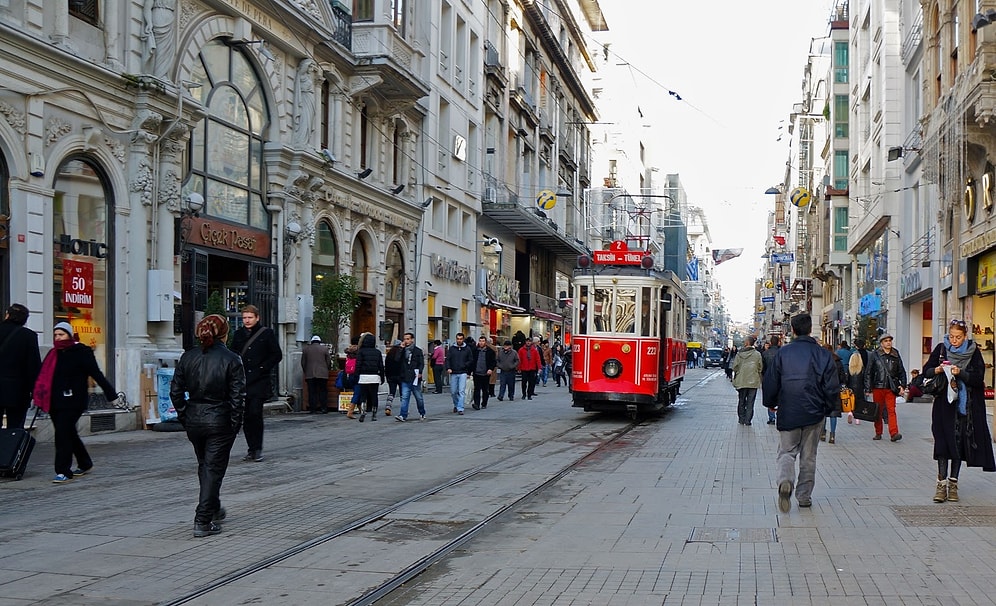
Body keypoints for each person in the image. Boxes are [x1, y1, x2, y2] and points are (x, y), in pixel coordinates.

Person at [170, 314, 246, 537]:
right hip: (219, 420)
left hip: (195, 420)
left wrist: (185, 415)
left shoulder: (188, 357)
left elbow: (175, 391)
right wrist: (234, 423)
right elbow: (238, 397)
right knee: (212, 468)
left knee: (206, 465)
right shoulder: (232, 359)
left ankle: (212, 507)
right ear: (225, 333)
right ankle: (202, 519)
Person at [763, 314, 839, 512]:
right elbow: (831, 386)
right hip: (814, 412)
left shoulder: (783, 353)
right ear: (810, 329)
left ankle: (785, 481)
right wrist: (829, 408)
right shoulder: (823, 354)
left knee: (787, 452)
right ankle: (804, 496)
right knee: (808, 456)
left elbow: (771, 381)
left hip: (789, 410)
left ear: (793, 330)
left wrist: (770, 403)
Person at [33, 322, 117, 483]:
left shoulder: (82, 352)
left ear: (69, 335)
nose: (58, 338)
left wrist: (111, 394)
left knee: (62, 435)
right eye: (56, 335)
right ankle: (85, 463)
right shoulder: (53, 354)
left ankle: (63, 470)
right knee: (68, 432)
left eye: (61, 334)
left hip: (74, 401)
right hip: (54, 401)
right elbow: (43, 377)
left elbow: (96, 373)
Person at [923, 319, 996, 502]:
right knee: (942, 445)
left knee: (957, 446)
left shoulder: (973, 353)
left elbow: (978, 379)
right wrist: (939, 369)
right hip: (942, 407)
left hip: (964, 408)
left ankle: (953, 485)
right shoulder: (941, 349)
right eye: (952, 337)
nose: (954, 341)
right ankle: (941, 486)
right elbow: (926, 371)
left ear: (965, 337)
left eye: (959, 337)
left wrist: (960, 373)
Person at [230, 305, 282, 462]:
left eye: (250, 317)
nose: (247, 320)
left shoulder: (266, 334)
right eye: (244, 317)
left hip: (259, 381)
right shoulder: (238, 334)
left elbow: (276, 354)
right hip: (243, 380)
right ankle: (251, 448)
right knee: (246, 416)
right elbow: (233, 354)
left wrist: (263, 368)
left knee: (255, 413)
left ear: (257, 318)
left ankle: (257, 448)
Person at [0, 304, 41, 429]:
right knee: (15, 429)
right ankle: (11, 448)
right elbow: (34, 367)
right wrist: (35, 391)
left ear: (7, 315)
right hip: (18, 391)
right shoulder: (29, 336)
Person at [864, 333, 908, 442]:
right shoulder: (875, 355)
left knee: (891, 410)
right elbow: (869, 372)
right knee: (878, 411)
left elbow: (901, 371)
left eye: (890, 340)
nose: (888, 342)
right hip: (878, 387)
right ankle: (878, 432)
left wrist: (903, 385)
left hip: (891, 387)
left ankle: (894, 433)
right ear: (881, 343)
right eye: (886, 341)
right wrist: (868, 388)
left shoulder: (895, 354)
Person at [395, 332, 426, 422]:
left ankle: (422, 412)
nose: (406, 341)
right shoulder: (402, 350)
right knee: (405, 397)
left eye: (408, 339)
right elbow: (396, 360)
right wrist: (401, 348)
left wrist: (420, 372)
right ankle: (403, 415)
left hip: (415, 377)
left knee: (418, 397)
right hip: (405, 377)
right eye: (405, 339)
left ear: (412, 340)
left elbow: (421, 363)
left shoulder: (417, 351)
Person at [731, 336, 763, 425]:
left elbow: (735, 367)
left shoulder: (739, 354)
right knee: (750, 402)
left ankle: (741, 419)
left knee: (741, 401)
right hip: (753, 381)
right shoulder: (757, 354)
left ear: (747, 343)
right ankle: (748, 420)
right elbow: (760, 367)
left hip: (741, 381)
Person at [355, 333, 385, 421]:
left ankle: (363, 412)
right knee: (374, 395)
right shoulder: (377, 352)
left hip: (364, 376)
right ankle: (374, 413)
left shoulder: (361, 352)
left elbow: (358, 365)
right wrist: (382, 377)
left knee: (363, 395)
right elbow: (381, 366)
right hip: (374, 376)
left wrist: (357, 375)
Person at [821, 343, 847, 444]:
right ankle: (832, 435)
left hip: (823, 390)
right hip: (835, 390)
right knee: (833, 413)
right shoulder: (838, 362)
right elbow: (843, 378)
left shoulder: (821, 362)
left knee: (823, 413)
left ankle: (823, 433)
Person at [301, 335, 331, 414]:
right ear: (319, 341)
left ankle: (313, 409)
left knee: (312, 392)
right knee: (323, 391)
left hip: (310, 374)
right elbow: (328, 361)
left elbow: (303, 362)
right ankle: (323, 408)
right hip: (322, 374)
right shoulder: (324, 349)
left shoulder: (306, 349)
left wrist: (306, 371)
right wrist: (326, 369)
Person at [445, 333, 474, 414]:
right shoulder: (452, 349)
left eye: (461, 339)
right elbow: (448, 359)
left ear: (463, 339)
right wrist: (448, 368)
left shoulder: (467, 349)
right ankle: (456, 404)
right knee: (453, 391)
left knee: (461, 391)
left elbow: (470, 360)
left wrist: (465, 366)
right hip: (453, 372)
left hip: (463, 372)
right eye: (458, 339)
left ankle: (460, 408)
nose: (459, 340)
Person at [471, 335, 496, 410]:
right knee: (477, 389)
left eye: (483, 341)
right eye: (480, 341)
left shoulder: (490, 351)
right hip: (476, 373)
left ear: (485, 342)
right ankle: (477, 404)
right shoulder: (475, 350)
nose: (481, 343)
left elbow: (493, 362)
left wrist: (490, 369)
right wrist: (470, 371)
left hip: (486, 373)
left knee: (485, 389)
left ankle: (484, 403)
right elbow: (472, 361)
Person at [761, 335, 781, 425]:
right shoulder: (782, 352)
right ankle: (780, 416)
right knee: (781, 398)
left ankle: (771, 418)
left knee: (770, 398)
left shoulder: (765, 353)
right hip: (780, 378)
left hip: (768, 378)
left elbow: (762, 368)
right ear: (778, 342)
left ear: (770, 343)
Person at [384, 339, 404, 416]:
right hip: (400, 375)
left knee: (391, 392)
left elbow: (386, 366)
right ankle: (404, 408)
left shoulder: (389, 354)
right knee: (403, 393)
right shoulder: (401, 353)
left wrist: (387, 375)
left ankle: (388, 407)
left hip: (391, 376)